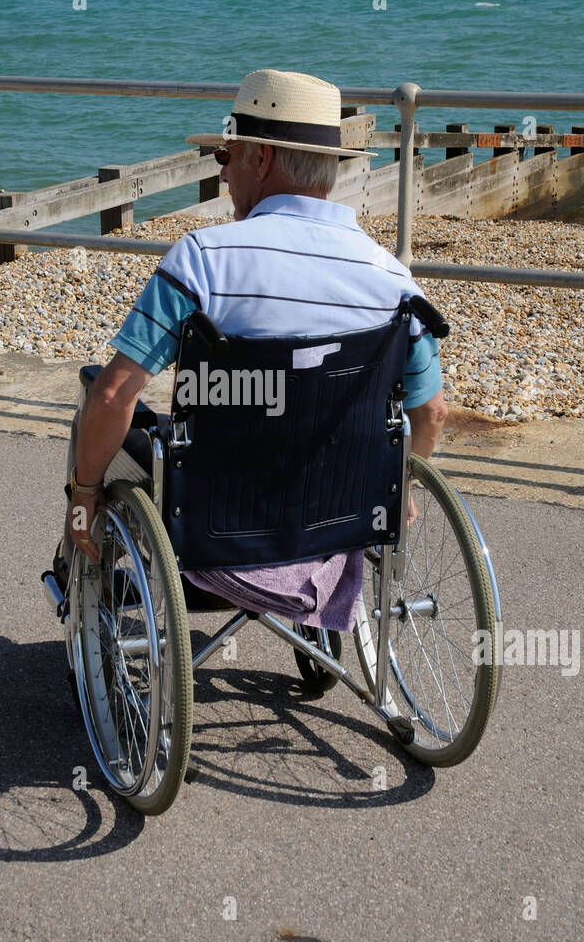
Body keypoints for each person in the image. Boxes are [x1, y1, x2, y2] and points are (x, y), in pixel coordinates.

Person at [64, 69, 447, 629]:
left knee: (95, 395)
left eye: (226, 155)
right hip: (341, 520)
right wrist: (403, 483)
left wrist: (85, 491)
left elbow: (116, 394)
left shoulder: (202, 261)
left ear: (260, 159)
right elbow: (430, 412)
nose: (223, 173)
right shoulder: (393, 282)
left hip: (215, 525)